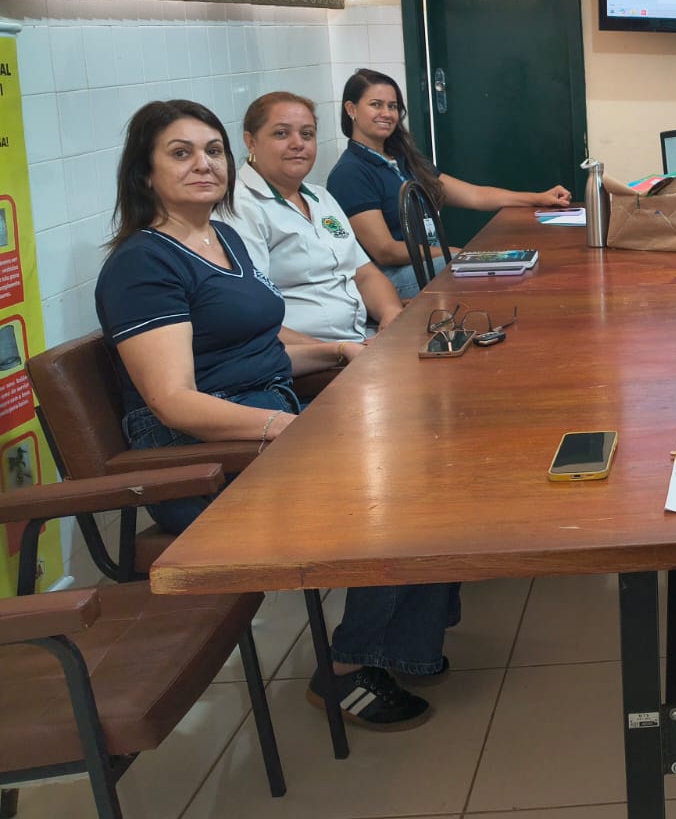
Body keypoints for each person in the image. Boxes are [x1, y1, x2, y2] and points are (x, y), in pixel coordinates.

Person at [95, 99, 452, 732]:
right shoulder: (143, 264)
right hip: (203, 456)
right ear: (144, 174)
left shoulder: (222, 236)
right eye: (180, 153)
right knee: (404, 492)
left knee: (437, 451)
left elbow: (259, 346)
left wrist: (341, 348)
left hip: (270, 418)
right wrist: (282, 428)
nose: (204, 164)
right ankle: (345, 670)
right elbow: (172, 400)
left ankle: (401, 645)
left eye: (212, 151)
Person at [326, 68, 572, 299]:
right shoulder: (350, 172)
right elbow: (385, 250)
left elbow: (474, 195)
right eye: (375, 105)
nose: (387, 114)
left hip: (430, 261)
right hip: (390, 280)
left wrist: (538, 198)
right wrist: (455, 254)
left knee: (513, 262)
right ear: (351, 109)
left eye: (393, 106)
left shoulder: (402, 157)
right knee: (490, 272)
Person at [232, 91, 404, 345]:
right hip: (308, 359)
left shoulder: (319, 197)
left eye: (307, 134)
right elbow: (251, 318)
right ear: (251, 142)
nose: (297, 144)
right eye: (281, 133)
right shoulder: (241, 206)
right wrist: (336, 353)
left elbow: (365, 274)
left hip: (358, 340)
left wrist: (392, 316)